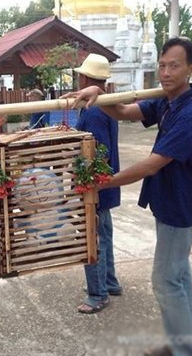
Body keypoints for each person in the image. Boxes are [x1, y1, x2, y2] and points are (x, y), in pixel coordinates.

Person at [64, 38, 192, 356]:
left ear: (191, 69)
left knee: (165, 280)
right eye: (162, 65)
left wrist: (103, 183)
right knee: (179, 276)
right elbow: (125, 112)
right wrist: (99, 95)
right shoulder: (167, 101)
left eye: (174, 65)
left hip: (180, 205)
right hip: (167, 202)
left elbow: (153, 163)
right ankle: (181, 344)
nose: (166, 72)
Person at [73, 54, 122, 314]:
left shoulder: (93, 111)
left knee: (93, 239)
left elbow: (97, 153)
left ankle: (98, 294)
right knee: (105, 235)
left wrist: (87, 182)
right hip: (107, 184)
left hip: (96, 187)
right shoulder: (107, 103)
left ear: (84, 78)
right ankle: (110, 282)